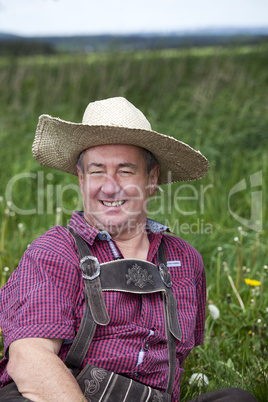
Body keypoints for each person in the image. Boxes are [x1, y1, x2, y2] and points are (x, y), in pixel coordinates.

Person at [0, 97, 256, 402]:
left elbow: (178, 365)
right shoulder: (54, 252)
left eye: (125, 171)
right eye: (97, 172)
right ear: (81, 179)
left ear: (151, 179)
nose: (109, 187)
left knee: (237, 399)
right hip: (64, 396)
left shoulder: (184, 261)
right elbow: (30, 359)